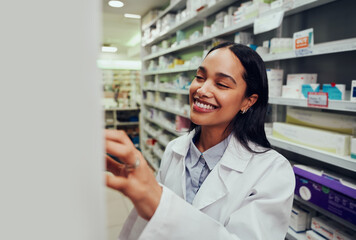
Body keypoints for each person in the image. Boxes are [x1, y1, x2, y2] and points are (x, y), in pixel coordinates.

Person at [105, 42, 295, 240]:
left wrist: (159, 205)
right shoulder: (174, 149)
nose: (202, 90)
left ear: (248, 101)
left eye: (221, 84)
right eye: (199, 77)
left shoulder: (272, 171)